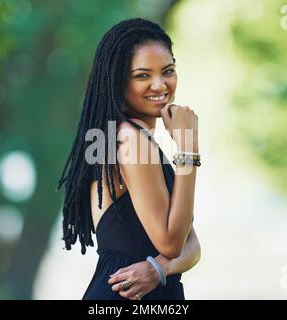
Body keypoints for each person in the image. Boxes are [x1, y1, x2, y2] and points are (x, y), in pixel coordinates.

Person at [57, 18, 201, 300]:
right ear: (118, 80)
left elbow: (192, 244)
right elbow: (172, 243)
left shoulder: (130, 138)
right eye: (143, 75)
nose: (160, 85)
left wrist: (157, 268)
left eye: (168, 71)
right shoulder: (130, 140)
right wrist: (187, 147)